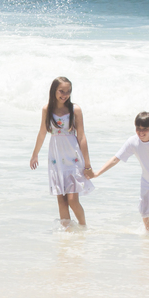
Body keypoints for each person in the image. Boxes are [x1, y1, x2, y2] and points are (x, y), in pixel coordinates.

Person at [90, 112, 149, 233]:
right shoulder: (133, 142)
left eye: (144, 129)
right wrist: (97, 173)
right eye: (138, 129)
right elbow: (116, 159)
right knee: (145, 212)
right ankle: (148, 238)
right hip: (147, 180)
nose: (141, 132)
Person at [30, 76, 95, 227]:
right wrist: (35, 154)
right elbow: (42, 133)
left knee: (72, 199)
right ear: (54, 90)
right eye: (61, 91)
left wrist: (87, 164)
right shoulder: (47, 109)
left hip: (73, 157)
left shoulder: (75, 109)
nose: (64, 95)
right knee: (61, 200)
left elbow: (81, 136)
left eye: (68, 91)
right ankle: (67, 234)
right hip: (56, 158)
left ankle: (83, 228)